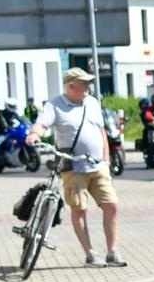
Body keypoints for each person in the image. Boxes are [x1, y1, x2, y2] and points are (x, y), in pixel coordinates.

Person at [34, 67, 125, 267]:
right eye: (84, 83)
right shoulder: (55, 105)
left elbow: (101, 132)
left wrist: (107, 161)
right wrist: (34, 135)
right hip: (74, 167)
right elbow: (42, 124)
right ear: (71, 85)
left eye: (89, 82)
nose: (88, 86)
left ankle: (112, 251)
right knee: (79, 210)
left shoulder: (92, 103)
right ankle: (90, 254)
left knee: (112, 206)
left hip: (98, 166)